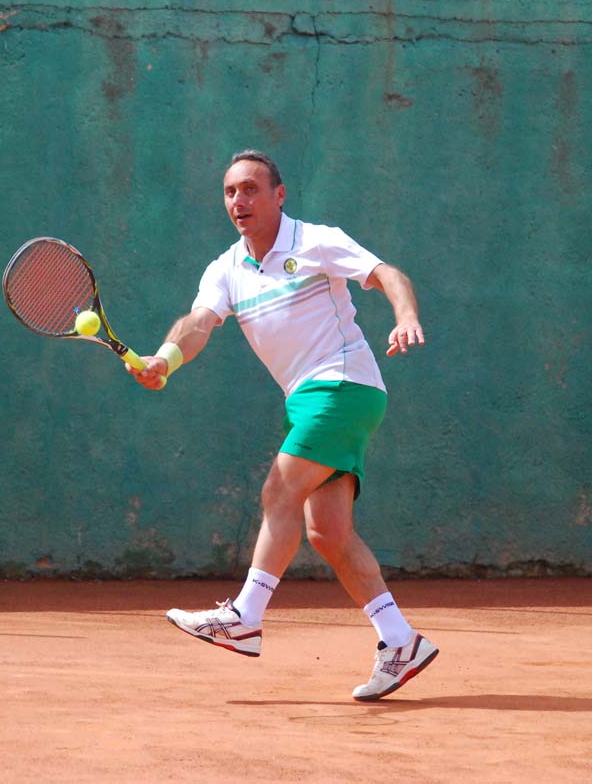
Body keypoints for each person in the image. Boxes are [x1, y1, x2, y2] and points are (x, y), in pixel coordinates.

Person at [128, 149, 437, 701]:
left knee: (279, 490)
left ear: (279, 195)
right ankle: (401, 641)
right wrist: (165, 361)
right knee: (327, 532)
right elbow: (199, 324)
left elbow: (386, 273)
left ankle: (245, 616)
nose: (238, 201)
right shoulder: (225, 269)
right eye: (230, 192)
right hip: (310, 400)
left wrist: (406, 315)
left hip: (342, 385)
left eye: (250, 189)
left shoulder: (316, 241)